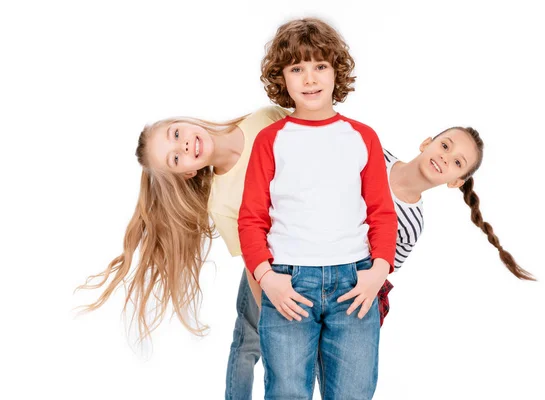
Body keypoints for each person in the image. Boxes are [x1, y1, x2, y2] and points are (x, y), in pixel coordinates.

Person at [75, 106, 290, 399]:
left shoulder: (263, 119)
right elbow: (251, 262)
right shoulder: (221, 201)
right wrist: (271, 317)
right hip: (269, 268)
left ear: (185, 120)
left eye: (176, 134)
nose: (184, 145)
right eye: (176, 158)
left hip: (315, 250)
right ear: (188, 172)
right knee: (250, 338)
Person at [238, 17, 397, 399]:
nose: (310, 79)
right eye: (297, 68)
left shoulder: (362, 137)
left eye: (320, 66)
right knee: (287, 391)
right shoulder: (270, 140)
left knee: (353, 393)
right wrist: (267, 277)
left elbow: (381, 212)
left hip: (355, 284)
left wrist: (378, 271)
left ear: (335, 71)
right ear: (283, 78)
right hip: (289, 284)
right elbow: (251, 218)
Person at [368, 126, 535, 326]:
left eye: (457, 162)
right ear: (426, 143)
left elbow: (381, 270)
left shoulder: (411, 225)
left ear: (456, 182)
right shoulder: (373, 153)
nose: (445, 158)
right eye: (445, 146)